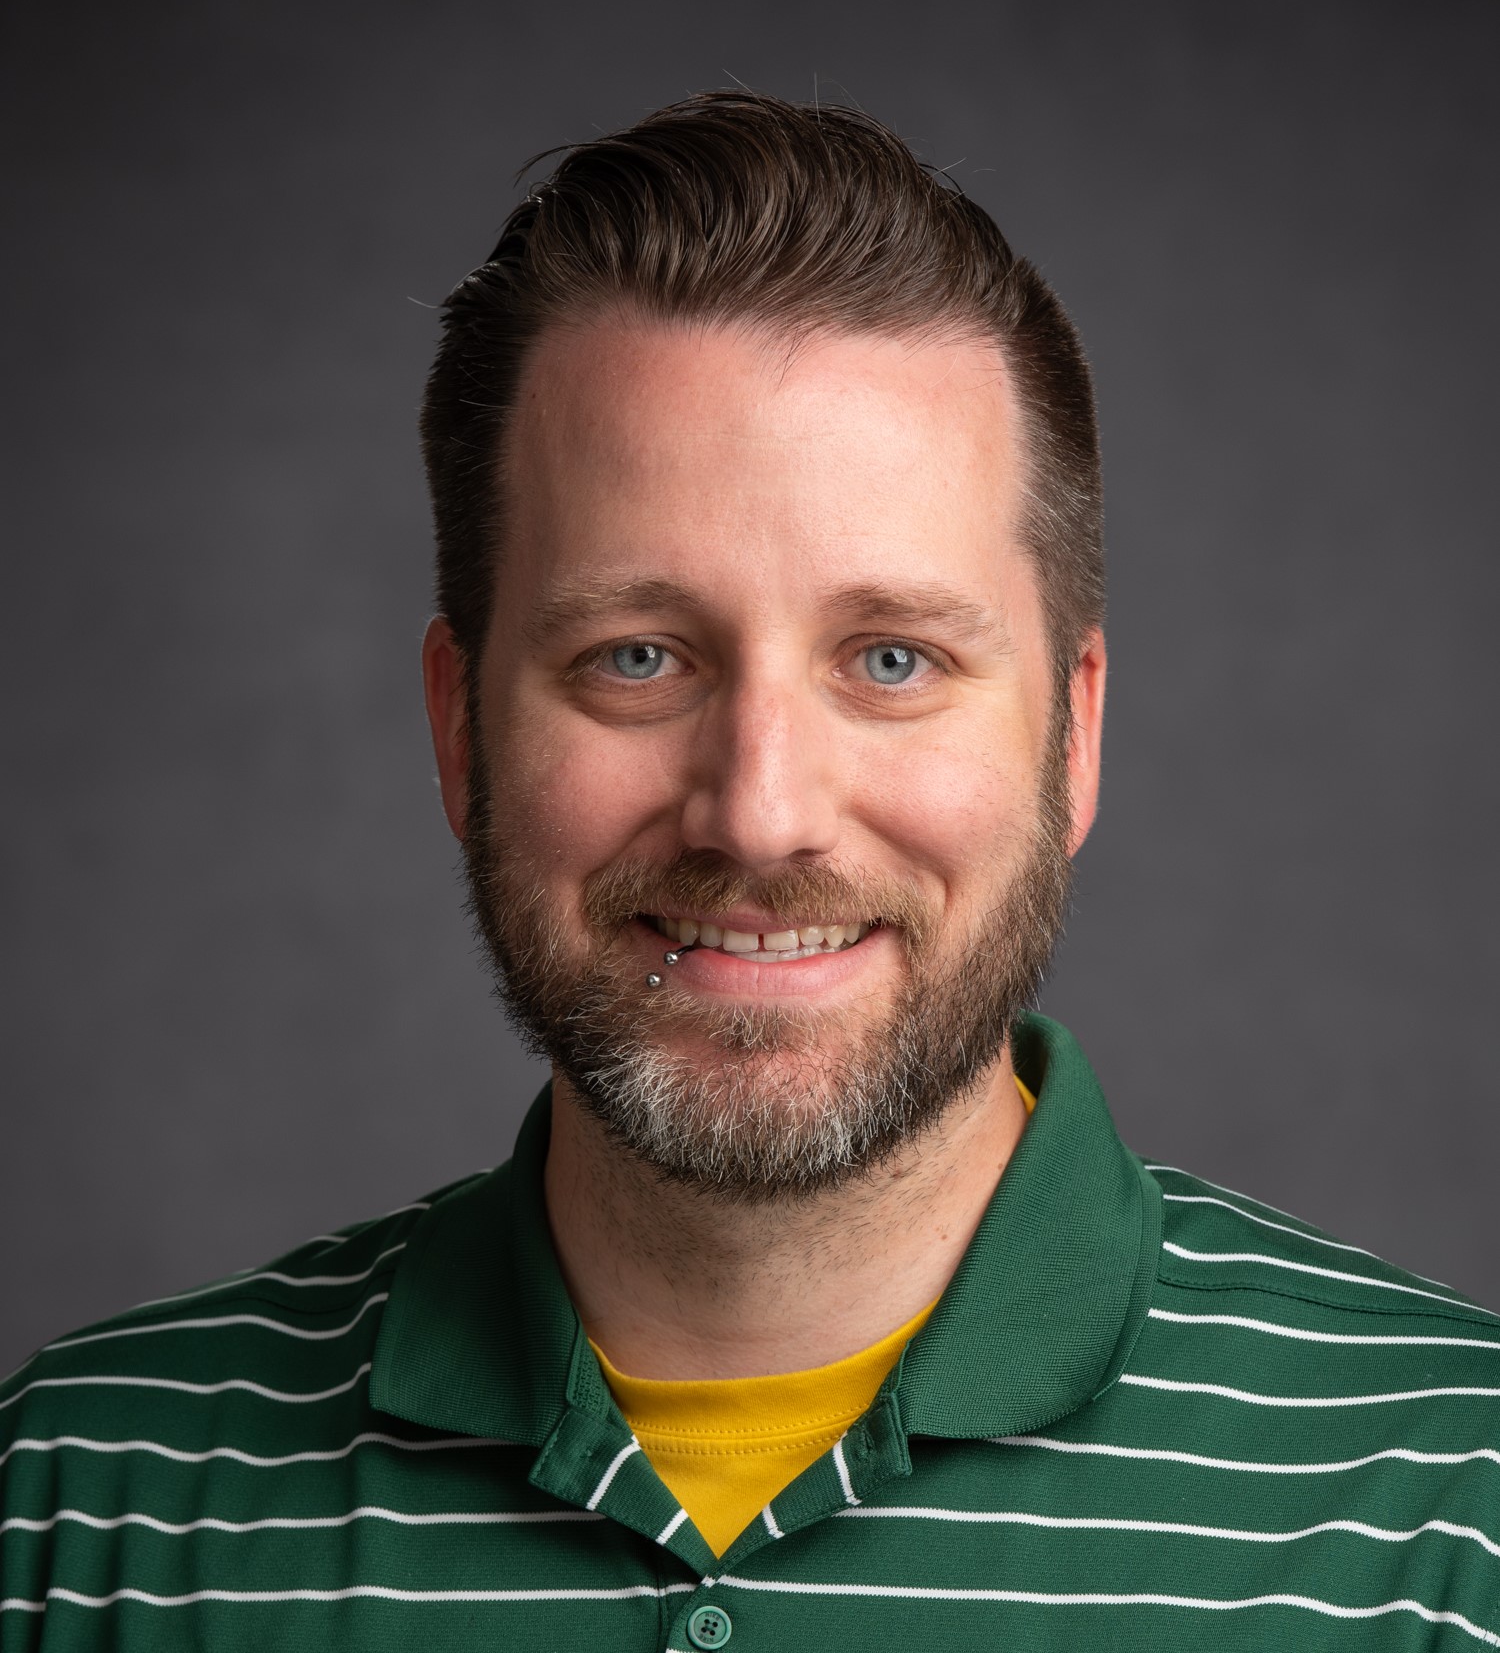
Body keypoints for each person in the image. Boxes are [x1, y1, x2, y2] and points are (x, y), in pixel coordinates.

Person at [3, 92, 1498, 1652]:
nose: (761, 814)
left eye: (893, 658)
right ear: (459, 728)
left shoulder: (1455, 1516)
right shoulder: (75, 1520)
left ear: (1075, 737)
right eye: (637, 657)